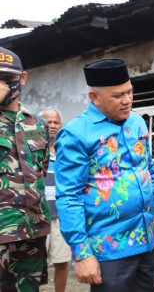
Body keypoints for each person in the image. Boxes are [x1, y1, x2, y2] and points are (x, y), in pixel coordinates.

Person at [54, 58, 154, 292]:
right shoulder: (75, 134)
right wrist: (82, 253)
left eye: (129, 92)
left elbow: (148, 171)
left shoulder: (137, 122)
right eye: (118, 96)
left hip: (146, 242)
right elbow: (69, 197)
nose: (127, 100)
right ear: (94, 98)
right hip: (108, 249)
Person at [0, 46, 51, 291]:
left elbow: (41, 169)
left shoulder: (38, 124)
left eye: (7, 79)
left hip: (32, 233)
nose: (1, 86)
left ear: (22, 78)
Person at [40, 109, 71, 292]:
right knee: (33, 264)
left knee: (62, 262)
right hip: (38, 216)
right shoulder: (31, 147)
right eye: (48, 122)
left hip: (61, 216)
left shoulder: (65, 150)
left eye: (56, 123)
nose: (52, 126)